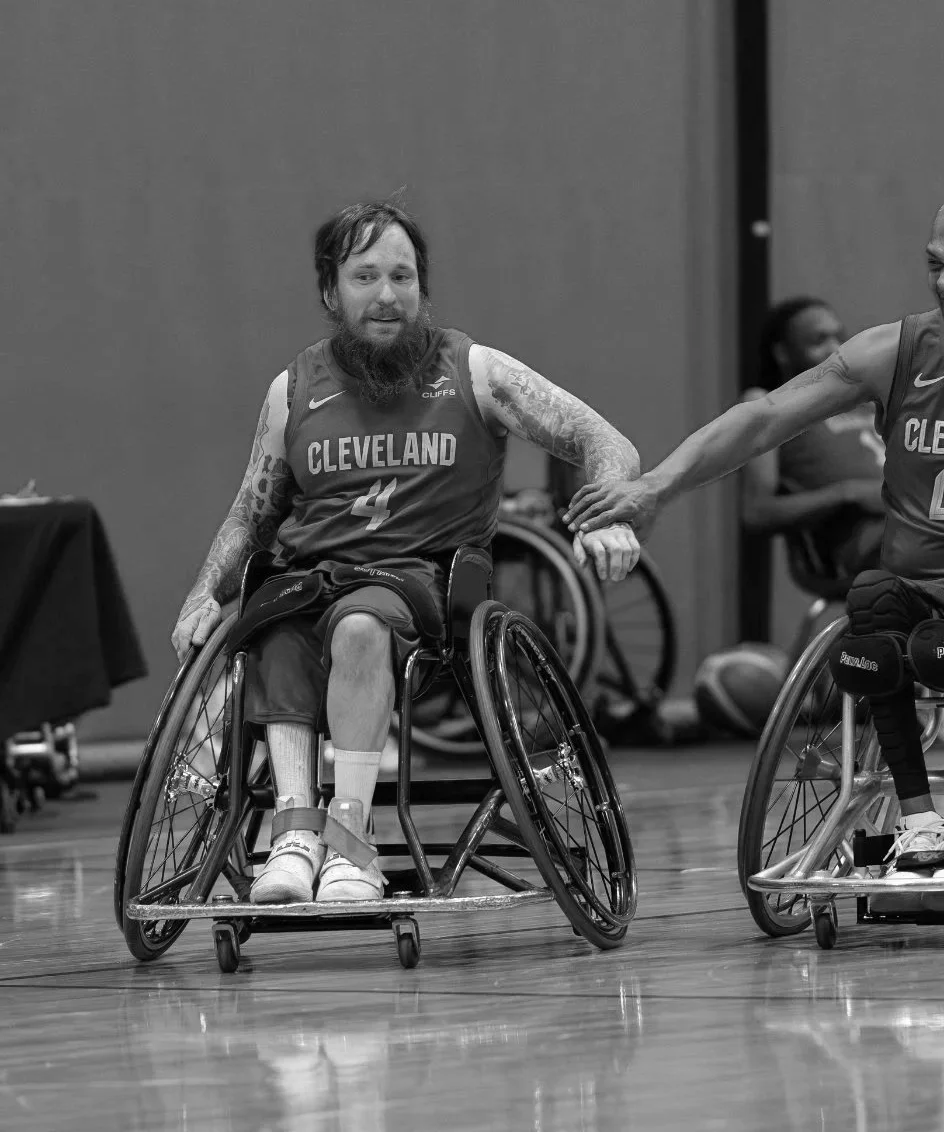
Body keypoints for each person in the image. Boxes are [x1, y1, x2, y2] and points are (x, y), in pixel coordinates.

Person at [565, 181, 944, 880]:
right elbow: (765, 418)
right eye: (935, 264)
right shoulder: (898, 350)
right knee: (872, 598)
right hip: (925, 591)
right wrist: (656, 485)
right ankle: (920, 824)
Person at [172, 199, 642, 904]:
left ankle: (350, 839)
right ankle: (294, 837)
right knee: (272, 627)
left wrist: (606, 514)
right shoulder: (292, 389)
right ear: (330, 292)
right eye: (365, 277)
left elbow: (604, 441)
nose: (387, 295)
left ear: (423, 286)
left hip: (422, 582)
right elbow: (252, 513)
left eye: (402, 276)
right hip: (309, 580)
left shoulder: (475, 370)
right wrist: (202, 594)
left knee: (361, 624)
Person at [742, 296, 944, 744]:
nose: (833, 346)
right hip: (851, 544)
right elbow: (756, 512)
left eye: (837, 335)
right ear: (781, 352)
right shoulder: (768, 402)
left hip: (915, 517)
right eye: (817, 340)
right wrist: (845, 494)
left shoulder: (861, 396)